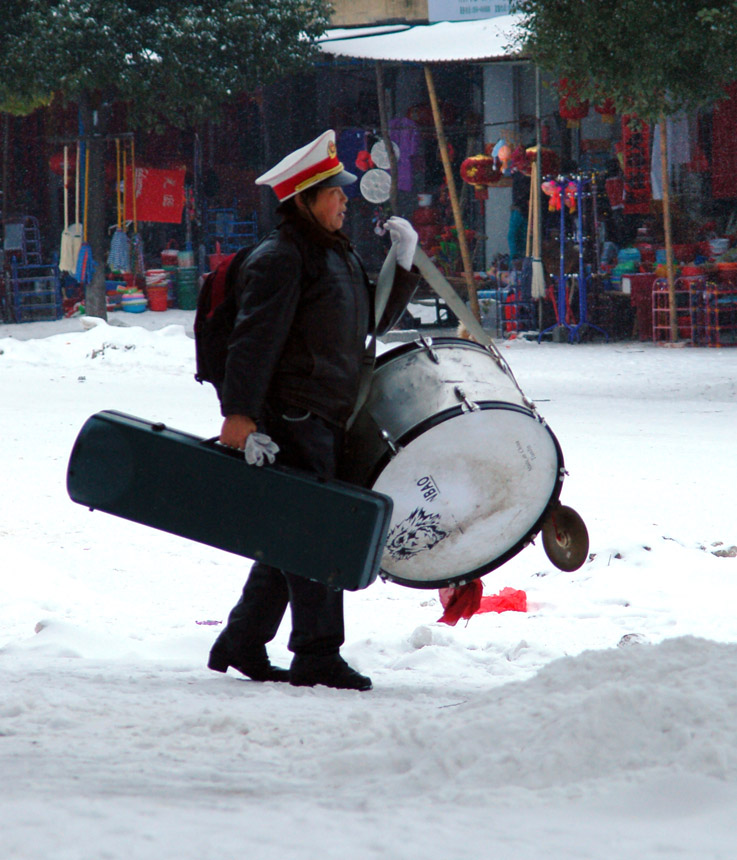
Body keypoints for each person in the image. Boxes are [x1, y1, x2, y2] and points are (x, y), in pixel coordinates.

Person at [207, 130, 419, 692]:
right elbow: (253, 342)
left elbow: (367, 321)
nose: (346, 200)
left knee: (290, 534)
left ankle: (243, 639)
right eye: (335, 192)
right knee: (316, 533)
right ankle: (318, 654)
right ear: (302, 200)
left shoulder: (335, 253)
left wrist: (403, 264)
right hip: (292, 417)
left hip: (326, 414)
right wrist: (242, 418)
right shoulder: (281, 259)